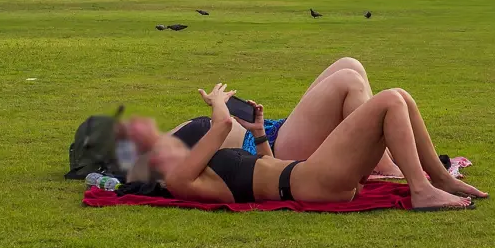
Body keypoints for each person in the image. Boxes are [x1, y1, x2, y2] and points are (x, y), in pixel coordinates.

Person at [124, 84, 485, 211]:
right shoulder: (180, 181)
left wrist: (260, 133)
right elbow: (220, 125)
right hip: (313, 180)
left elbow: (266, 168)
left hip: (310, 178)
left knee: (401, 98)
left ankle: (439, 180)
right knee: (390, 100)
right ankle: (421, 190)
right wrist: (217, 100)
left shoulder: (202, 172)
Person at [127, 58, 402, 181]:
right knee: (348, 81)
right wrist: (220, 106)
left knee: (350, 64)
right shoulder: (164, 162)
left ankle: (386, 156)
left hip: (269, 129)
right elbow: (222, 130)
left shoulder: (170, 137)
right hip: (274, 150)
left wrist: (250, 121)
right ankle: (386, 166)